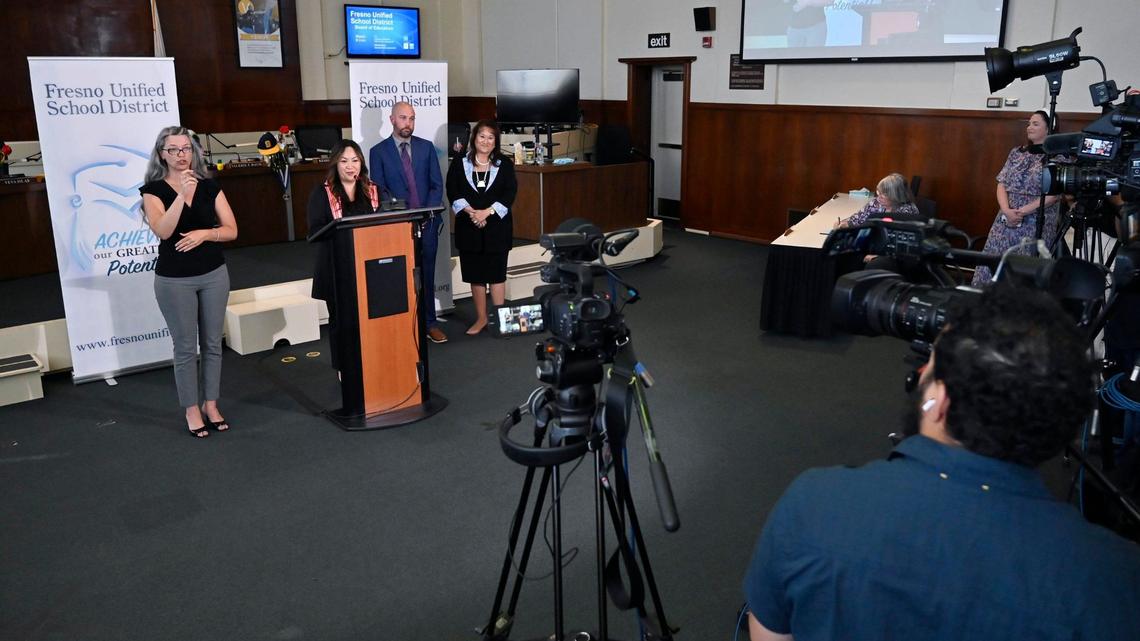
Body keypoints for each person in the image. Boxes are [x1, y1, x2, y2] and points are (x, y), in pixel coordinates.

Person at [743, 285, 1140, 640]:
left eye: (930, 367)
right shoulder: (1115, 575)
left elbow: (768, 633)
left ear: (940, 402)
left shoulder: (814, 503)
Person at [141, 126, 239, 438]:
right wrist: (182, 195)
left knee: (212, 344)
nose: (181, 155)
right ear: (162, 155)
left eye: (186, 148)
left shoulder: (210, 187)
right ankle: (191, 409)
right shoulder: (152, 191)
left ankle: (211, 404)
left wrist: (206, 234)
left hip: (214, 274)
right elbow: (164, 230)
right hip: (174, 280)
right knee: (185, 348)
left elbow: (232, 230)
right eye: (174, 150)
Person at [369, 101, 447, 344]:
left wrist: (426, 214)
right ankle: (404, 326)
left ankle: (430, 323)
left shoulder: (426, 148)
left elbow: (436, 185)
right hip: (398, 226)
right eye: (403, 118)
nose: (408, 123)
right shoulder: (378, 152)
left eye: (412, 118)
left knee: (427, 274)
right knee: (399, 277)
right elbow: (379, 190)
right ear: (392, 119)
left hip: (428, 223)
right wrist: (404, 217)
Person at [307, 139, 379, 373]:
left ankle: (370, 361)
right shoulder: (322, 193)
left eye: (355, 161)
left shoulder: (373, 190)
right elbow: (314, 231)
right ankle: (343, 368)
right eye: (344, 161)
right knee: (341, 322)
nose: (350, 166)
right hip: (336, 267)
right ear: (335, 164)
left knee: (369, 318)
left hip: (368, 267)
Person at [972, 111, 1064, 285]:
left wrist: (1020, 213)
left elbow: (1053, 196)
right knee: (992, 264)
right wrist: (1007, 211)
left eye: (1035, 124)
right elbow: (1002, 183)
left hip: (1034, 221)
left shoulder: (1058, 158)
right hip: (1005, 219)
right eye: (1029, 124)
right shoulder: (1017, 152)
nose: (1029, 127)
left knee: (1023, 270)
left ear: (1049, 128)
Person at [446, 120, 517, 335]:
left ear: (496, 141)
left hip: (497, 228)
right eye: (482, 136)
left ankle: (500, 320)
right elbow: (452, 190)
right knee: (475, 275)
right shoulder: (459, 162)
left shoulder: (504, 163)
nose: (485, 141)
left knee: (496, 275)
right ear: (474, 138)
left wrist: (487, 212)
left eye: (490, 137)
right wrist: (473, 213)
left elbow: (510, 192)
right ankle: (482, 318)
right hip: (469, 227)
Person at [834, 172, 921, 229]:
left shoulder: (907, 212)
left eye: (883, 195)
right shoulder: (876, 203)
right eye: (878, 192)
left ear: (896, 196)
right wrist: (844, 224)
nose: (878, 198)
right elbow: (858, 219)